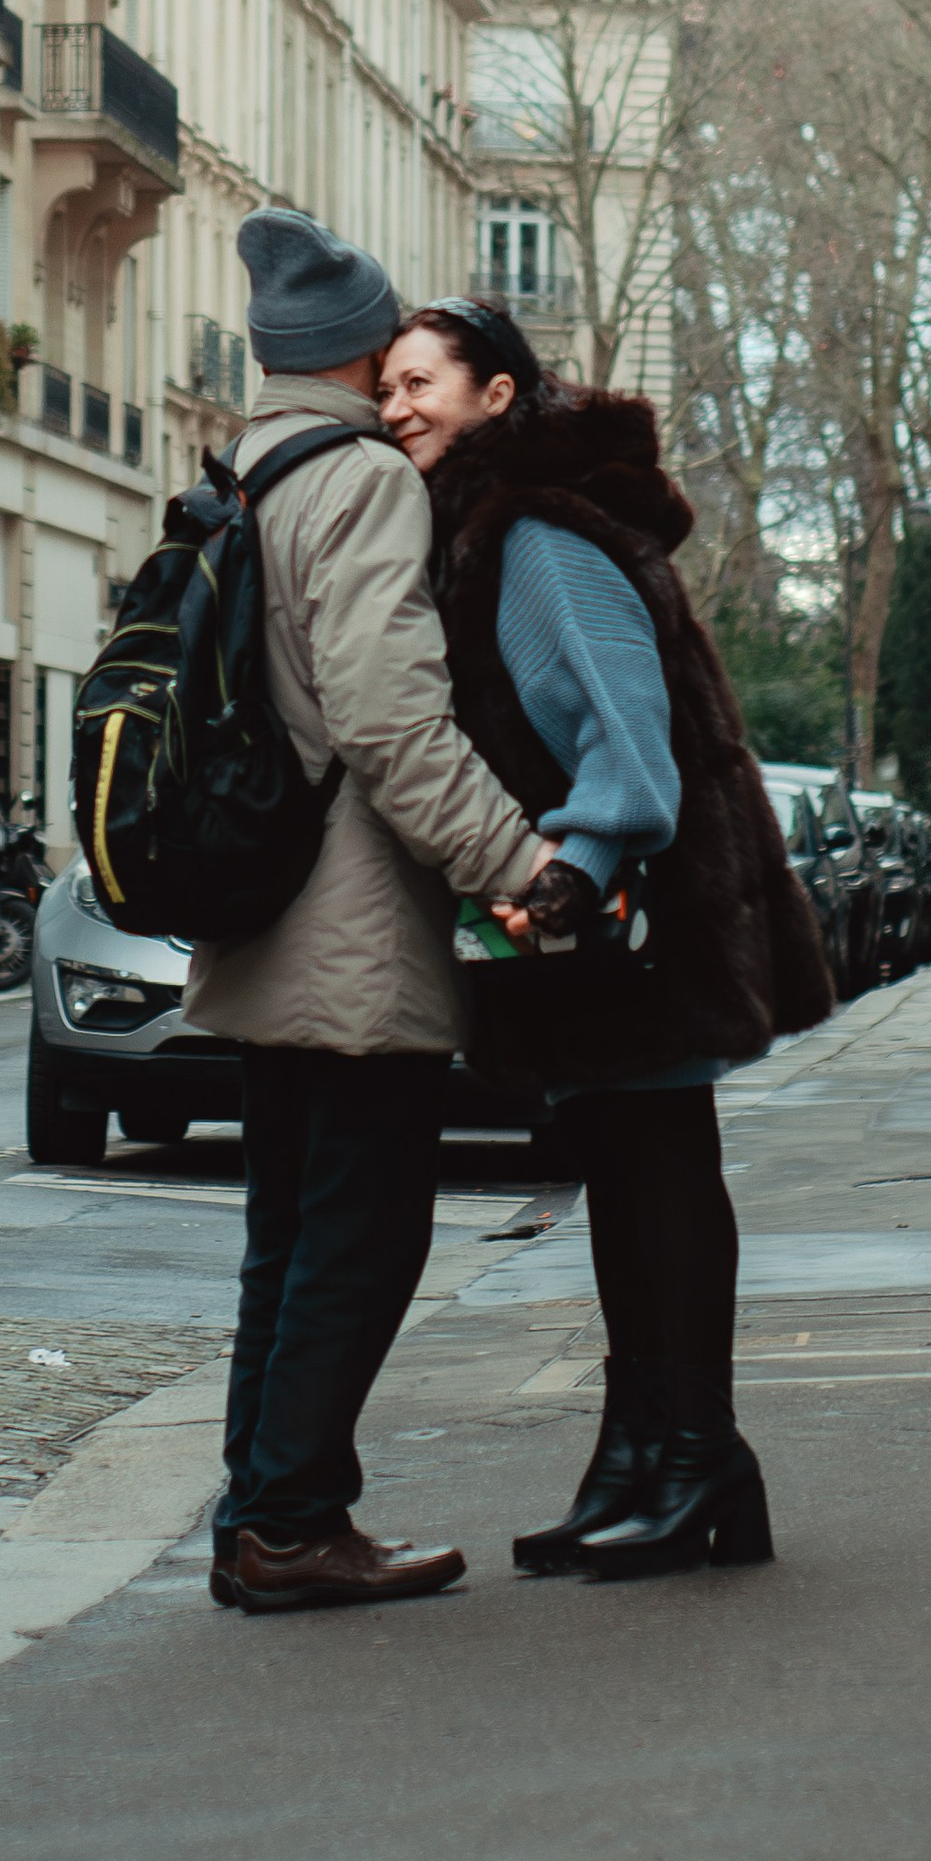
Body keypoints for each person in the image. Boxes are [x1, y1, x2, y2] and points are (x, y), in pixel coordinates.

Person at [380, 298, 832, 1579]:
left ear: (497, 395)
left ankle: (694, 1459)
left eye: (421, 384)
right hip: (605, 925)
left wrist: (573, 870)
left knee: (660, 1176)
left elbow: (628, 745)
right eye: (386, 389)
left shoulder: (535, 531)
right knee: (631, 1180)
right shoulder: (488, 523)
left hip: (639, 917)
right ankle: (645, 1455)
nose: (397, 407)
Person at [182, 209, 556, 1617]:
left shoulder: (245, 471)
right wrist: (518, 863)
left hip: (261, 911)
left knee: (288, 1236)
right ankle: (290, 1522)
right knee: (364, 1233)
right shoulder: (362, 479)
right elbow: (392, 718)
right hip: (348, 923)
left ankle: (262, 1516)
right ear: (358, 347)